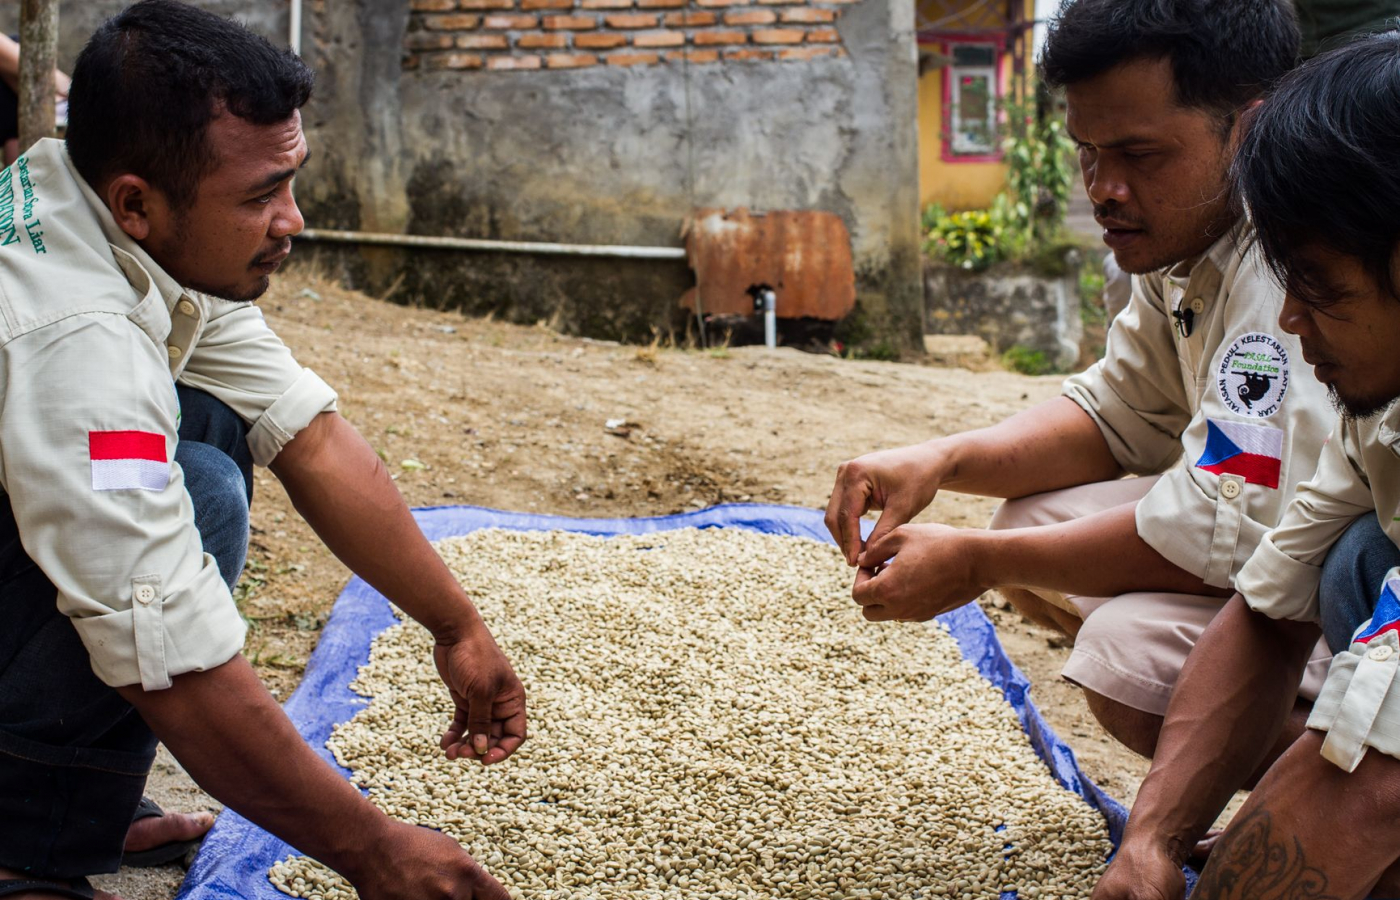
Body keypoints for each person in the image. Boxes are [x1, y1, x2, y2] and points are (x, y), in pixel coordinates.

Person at [0, 3, 525, 899]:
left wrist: (456, 626)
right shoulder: (78, 339)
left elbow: (307, 431)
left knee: (206, 431)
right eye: (258, 197)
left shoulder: (86, 200)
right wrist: (373, 848)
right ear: (137, 201)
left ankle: (76, 801)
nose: (293, 220)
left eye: (291, 180)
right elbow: (158, 631)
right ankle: (24, 848)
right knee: (195, 492)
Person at [826, 0, 1336, 763]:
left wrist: (977, 563)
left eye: (1139, 155)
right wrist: (942, 460)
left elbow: (1217, 522)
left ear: (1248, 129)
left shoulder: (1285, 262)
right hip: (1299, 543)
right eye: (1088, 152)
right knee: (1028, 523)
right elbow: (1117, 409)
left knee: (1128, 661)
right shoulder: (1193, 237)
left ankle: (1343, 801)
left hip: (1370, 583)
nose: (1103, 187)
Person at [1093, 33, 1400, 900]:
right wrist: (1154, 840)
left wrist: (1267, 848)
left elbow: (1368, 781)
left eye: (1323, 287)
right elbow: (1269, 606)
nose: (1292, 323)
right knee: (1352, 563)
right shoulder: (1379, 405)